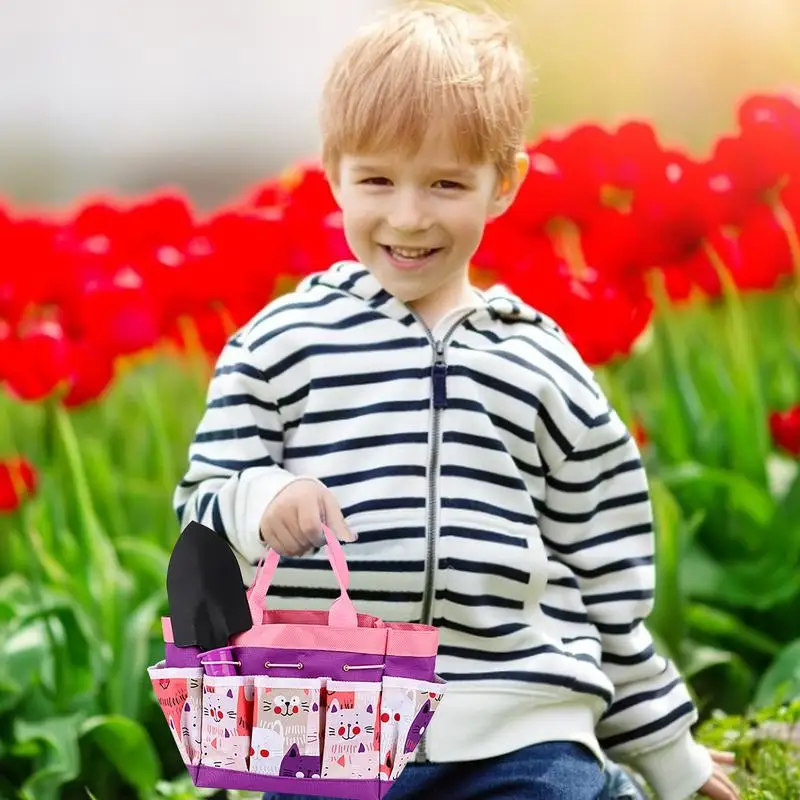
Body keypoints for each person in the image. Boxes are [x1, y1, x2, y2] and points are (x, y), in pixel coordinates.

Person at [173, 3, 739, 799]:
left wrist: (669, 752)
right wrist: (262, 498)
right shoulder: (279, 345)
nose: (408, 217)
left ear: (503, 183)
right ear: (332, 170)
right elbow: (198, 506)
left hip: (519, 728)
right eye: (377, 180)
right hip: (329, 725)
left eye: (446, 183)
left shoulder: (540, 362)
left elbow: (605, 573)